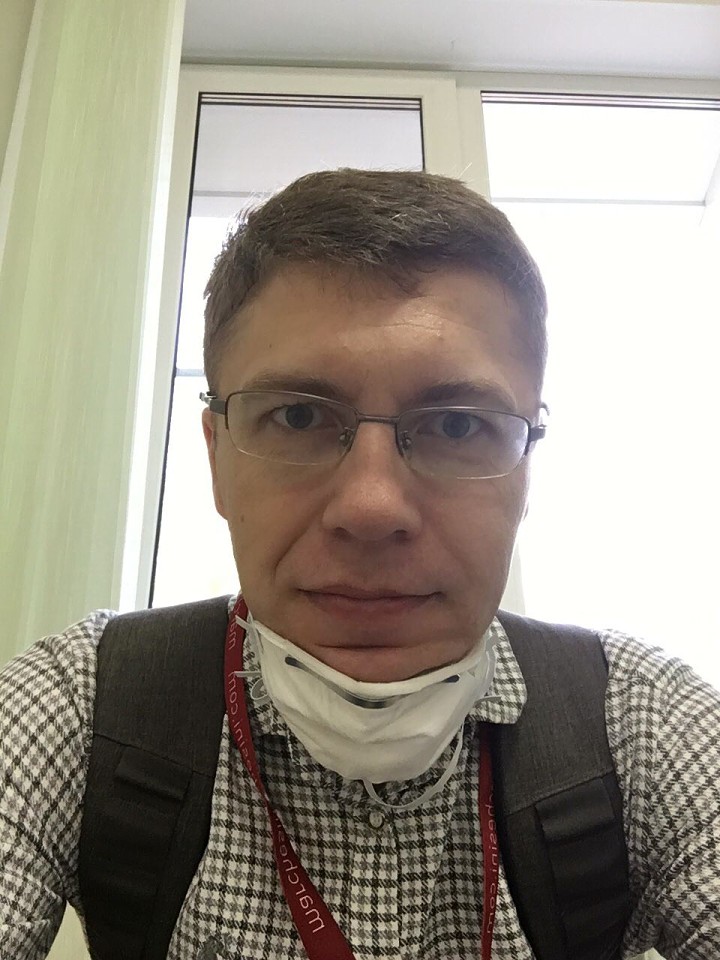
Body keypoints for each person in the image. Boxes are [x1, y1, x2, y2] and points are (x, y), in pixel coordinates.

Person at [1, 168, 719, 960]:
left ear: (524, 472)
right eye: (297, 416)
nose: (372, 508)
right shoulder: (84, 705)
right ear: (217, 460)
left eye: (456, 425)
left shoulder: (643, 726)